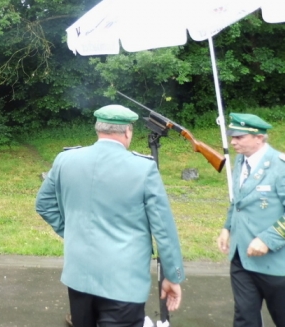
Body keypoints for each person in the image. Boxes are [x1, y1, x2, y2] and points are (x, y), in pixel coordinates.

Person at [36, 104, 184, 327]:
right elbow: (163, 229)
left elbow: (44, 204)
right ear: (128, 131)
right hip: (123, 282)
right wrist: (172, 276)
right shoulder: (143, 169)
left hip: (79, 276)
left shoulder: (65, 160)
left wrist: (71, 232)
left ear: (98, 128)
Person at [217, 113, 285, 327]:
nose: (233, 142)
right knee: (244, 319)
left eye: (239, 137)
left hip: (277, 264)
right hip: (242, 258)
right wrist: (227, 227)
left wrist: (267, 240)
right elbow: (238, 200)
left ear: (259, 137)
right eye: (232, 136)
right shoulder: (241, 160)